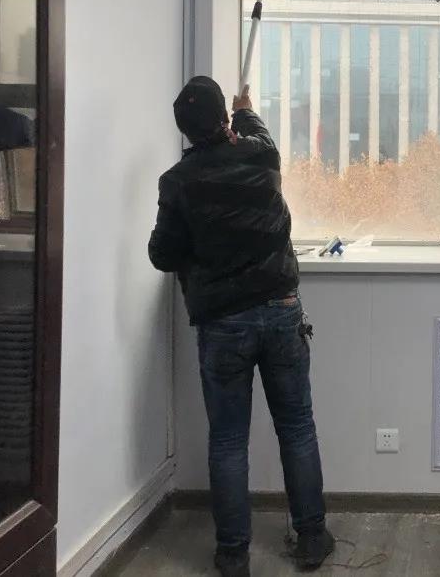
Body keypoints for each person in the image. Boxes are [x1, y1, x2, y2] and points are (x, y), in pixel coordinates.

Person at [148, 77, 333, 577]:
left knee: (228, 439)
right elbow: (261, 136)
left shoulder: (177, 182)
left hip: (223, 324)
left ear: (185, 131)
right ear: (225, 118)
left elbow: (162, 254)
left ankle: (233, 554)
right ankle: (311, 538)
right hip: (281, 310)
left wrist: (198, 243)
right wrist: (246, 110)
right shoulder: (260, 157)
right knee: (296, 426)